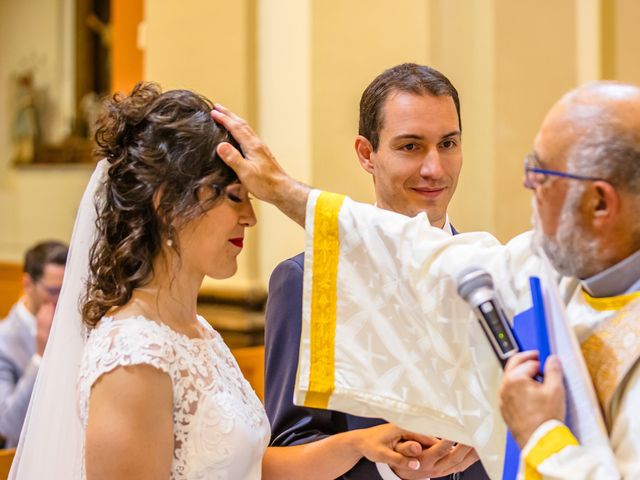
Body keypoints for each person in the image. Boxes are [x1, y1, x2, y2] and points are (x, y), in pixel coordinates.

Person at [210, 80, 640, 479]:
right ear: (367, 153)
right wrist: (285, 192)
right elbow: (418, 257)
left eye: (542, 178)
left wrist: (536, 433)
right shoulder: (545, 269)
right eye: (411, 146)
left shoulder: (524, 266)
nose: (531, 193)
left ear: (600, 202)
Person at [10, 82, 427, 480]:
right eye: (233, 196)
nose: (250, 216)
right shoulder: (134, 358)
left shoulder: (197, 332)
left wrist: (359, 444)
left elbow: (245, 467)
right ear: (167, 203)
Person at [265, 63, 485, 480]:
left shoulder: (487, 270)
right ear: (367, 154)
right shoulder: (306, 279)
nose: (435, 169)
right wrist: (392, 470)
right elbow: (289, 447)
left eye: (448, 143)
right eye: (410, 147)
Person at [0, 240, 67, 447]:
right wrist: (39, 358)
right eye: (54, 291)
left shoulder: (72, 323)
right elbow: (7, 424)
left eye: (67, 290)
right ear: (27, 284)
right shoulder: (4, 339)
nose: (61, 299)